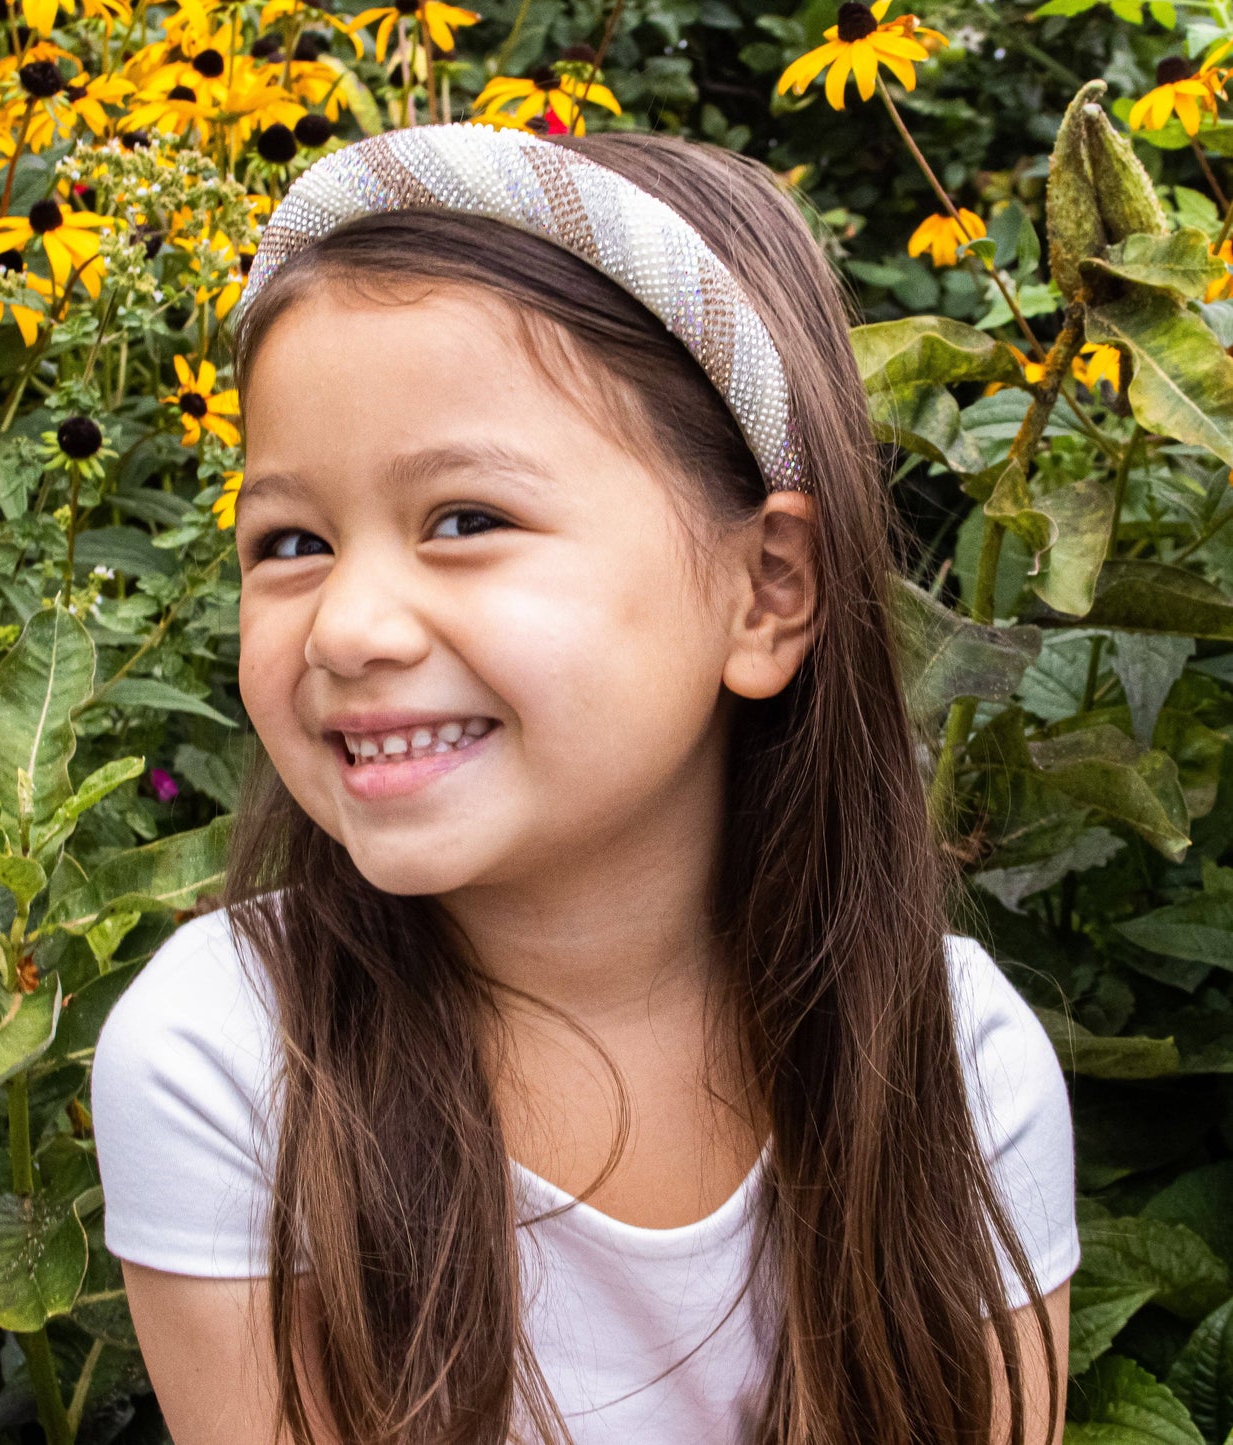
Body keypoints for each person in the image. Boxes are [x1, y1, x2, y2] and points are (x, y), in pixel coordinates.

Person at [89, 122, 1078, 1445]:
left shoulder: (955, 1070)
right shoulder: (231, 1054)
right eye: (290, 540)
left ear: (764, 591)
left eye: (464, 519)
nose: (345, 628)